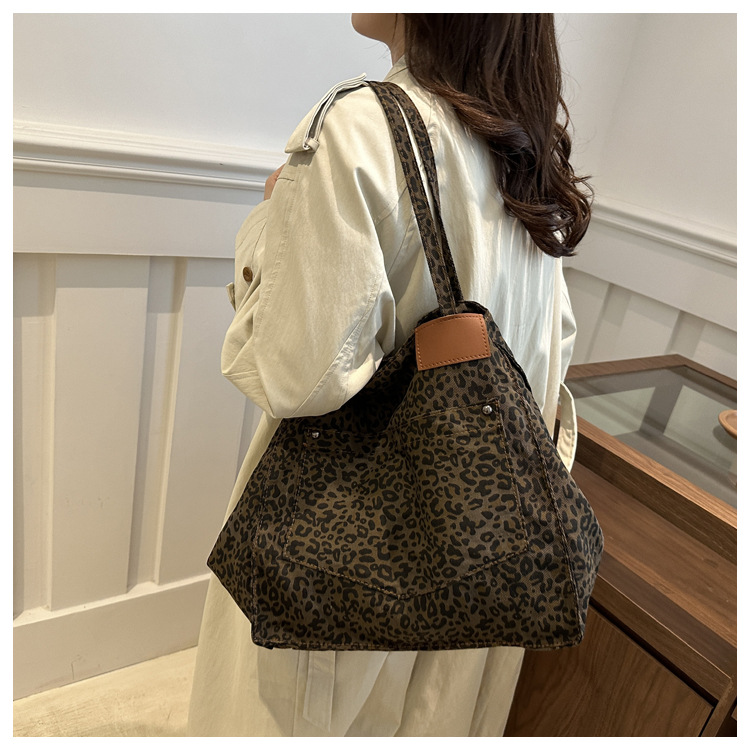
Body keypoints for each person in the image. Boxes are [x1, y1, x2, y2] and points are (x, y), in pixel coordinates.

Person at [187, 13, 590, 737]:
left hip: (348, 585)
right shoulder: (526, 154)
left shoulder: (363, 128)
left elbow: (295, 375)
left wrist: (271, 219)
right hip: (479, 572)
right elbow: (550, 354)